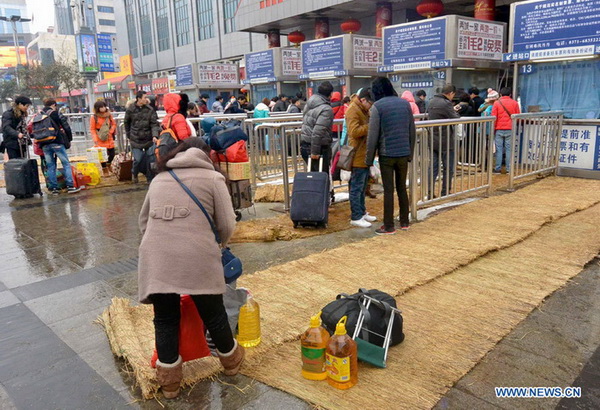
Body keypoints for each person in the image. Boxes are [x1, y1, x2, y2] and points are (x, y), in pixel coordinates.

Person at [138, 137, 242, 399]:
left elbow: (143, 222)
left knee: (165, 318)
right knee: (214, 313)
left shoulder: (160, 178)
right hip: (197, 254)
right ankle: (231, 363)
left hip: (156, 256)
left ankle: (170, 384)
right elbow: (228, 224)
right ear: (207, 155)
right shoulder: (214, 179)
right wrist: (217, 243)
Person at [366, 77, 415, 235]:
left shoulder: (377, 107)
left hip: (387, 154)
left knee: (388, 190)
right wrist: (410, 152)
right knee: (402, 188)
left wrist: (369, 160)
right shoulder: (405, 104)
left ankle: (388, 226)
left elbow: (372, 136)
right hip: (403, 153)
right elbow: (411, 130)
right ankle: (405, 221)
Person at [346, 88, 378, 228]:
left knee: (363, 185)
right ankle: (356, 216)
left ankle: (362, 212)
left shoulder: (363, 110)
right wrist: (370, 126)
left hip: (365, 154)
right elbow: (353, 132)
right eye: (369, 103)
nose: (370, 106)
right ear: (363, 99)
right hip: (357, 154)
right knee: (356, 187)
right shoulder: (353, 110)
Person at [37, 98, 79, 194]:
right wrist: (69, 138)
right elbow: (66, 126)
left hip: (44, 144)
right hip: (57, 142)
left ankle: (54, 188)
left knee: (50, 166)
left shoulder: (39, 115)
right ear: (54, 105)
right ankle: (70, 186)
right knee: (66, 164)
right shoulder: (55, 113)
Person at [427, 84, 460, 198]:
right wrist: (455, 111)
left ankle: (430, 192)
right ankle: (445, 191)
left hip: (432, 139)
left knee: (433, 167)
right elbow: (455, 118)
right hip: (445, 140)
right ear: (451, 93)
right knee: (448, 167)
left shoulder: (431, 101)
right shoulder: (446, 103)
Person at [125, 90, 161, 184]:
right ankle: (135, 173)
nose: (146, 99)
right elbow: (126, 123)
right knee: (138, 159)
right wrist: (129, 135)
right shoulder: (130, 109)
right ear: (139, 99)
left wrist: (154, 135)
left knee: (150, 158)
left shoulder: (150, 110)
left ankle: (149, 177)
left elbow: (154, 124)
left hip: (148, 137)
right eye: (145, 97)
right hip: (135, 138)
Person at [300, 81, 334, 174]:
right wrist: (315, 152)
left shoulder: (309, 103)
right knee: (321, 179)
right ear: (330, 94)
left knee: (313, 178)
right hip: (319, 147)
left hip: (305, 144)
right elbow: (318, 132)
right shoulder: (326, 109)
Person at [492, 87, 521, 174]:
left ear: (500, 94)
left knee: (499, 149)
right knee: (509, 149)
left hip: (499, 128)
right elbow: (517, 117)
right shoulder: (515, 103)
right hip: (510, 128)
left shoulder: (497, 103)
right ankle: (509, 169)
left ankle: (498, 168)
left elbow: (494, 117)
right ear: (510, 94)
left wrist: (493, 129)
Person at [90, 100, 117, 174]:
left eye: (104, 106)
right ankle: (104, 168)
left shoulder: (108, 115)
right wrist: (95, 139)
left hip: (109, 136)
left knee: (112, 153)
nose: (103, 108)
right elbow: (92, 129)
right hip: (100, 137)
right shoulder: (94, 117)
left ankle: (109, 164)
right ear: (97, 108)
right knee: (102, 155)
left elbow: (114, 124)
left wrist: (111, 131)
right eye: (101, 107)